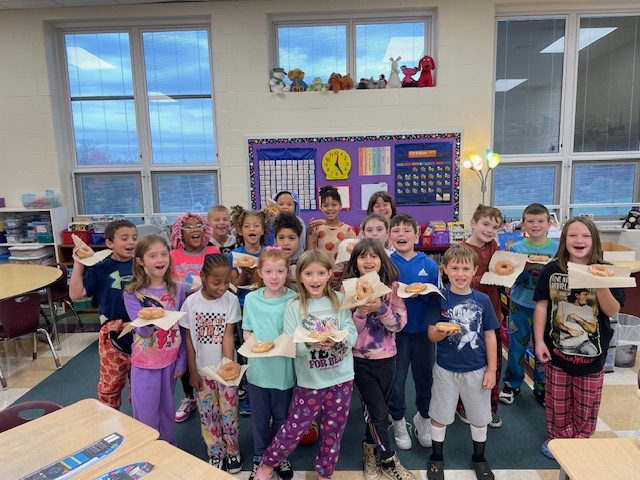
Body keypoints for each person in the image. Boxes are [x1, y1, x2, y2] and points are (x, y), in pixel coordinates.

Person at [254, 249, 357, 480]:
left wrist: (339, 341)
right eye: (309, 274)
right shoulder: (294, 307)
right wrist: (310, 343)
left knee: (333, 432)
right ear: (299, 276)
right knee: (294, 428)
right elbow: (291, 344)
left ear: (330, 273)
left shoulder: (339, 301)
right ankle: (268, 464)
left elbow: (351, 333)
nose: (315, 279)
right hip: (310, 382)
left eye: (321, 273)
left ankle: (324, 473)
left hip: (341, 379)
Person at [533, 217, 624, 459]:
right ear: (564, 240)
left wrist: (599, 282)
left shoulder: (608, 269)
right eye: (573, 235)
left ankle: (581, 440)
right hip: (557, 352)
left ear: (594, 241)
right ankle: (559, 439)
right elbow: (542, 305)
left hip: (592, 356)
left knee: (587, 403)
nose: (579, 240)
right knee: (557, 401)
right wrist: (539, 341)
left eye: (585, 235)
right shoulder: (551, 271)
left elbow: (612, 310)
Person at [342, 239, 415, 480]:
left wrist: (381, 308)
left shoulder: (392, 288)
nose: (369, 260)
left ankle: (369, 449)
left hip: (387, 358)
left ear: (382, 260)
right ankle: (388, 459)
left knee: (375, 412)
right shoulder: (349, 290)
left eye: (374, 256)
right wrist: (361, 312)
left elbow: (399, 324)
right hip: (360, 359)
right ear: (356, 262)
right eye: (363, 256)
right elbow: (347, 333)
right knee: (378, 412)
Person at [426, 244, 499, 480]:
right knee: (440, 414)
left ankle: (479, 457)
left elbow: (490, 336)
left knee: (479, 417)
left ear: (475, 270)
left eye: (465, 268)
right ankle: (437, 456)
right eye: (454, 268)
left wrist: (492, 369)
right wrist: (440, 332)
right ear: (444, 269)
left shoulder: (483, 300)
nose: (460, 273)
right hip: (446, 369)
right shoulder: (439, 299)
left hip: (476, 370)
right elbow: (431, 334)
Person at [179, 253, 243, 472]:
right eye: (217, 282)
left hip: (224, 372)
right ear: (203, 276)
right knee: (208, 415)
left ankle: (233, 451)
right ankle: (215, 451)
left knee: (229, 414)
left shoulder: (231, 300)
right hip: (201, 371)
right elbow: (188, 339)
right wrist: (192, 372)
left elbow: (228, 336)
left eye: (227, 281)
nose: (222, 287)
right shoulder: (191, 303)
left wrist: (228, 367)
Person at [123, 234, 186, 446]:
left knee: (167, 410)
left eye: (163, 254)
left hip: (170, 359)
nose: (160, 259)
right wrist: (151, 317)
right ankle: (147, 449)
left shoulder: (177, 288)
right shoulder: (133, 293)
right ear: (140, 261)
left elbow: (182, 327)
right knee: (146, 413)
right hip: (145, 363)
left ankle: (167, 447)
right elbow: (142, 332)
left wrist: (182, 359)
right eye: (152, 255)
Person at [69, 219, 138, 409]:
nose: (131, 242)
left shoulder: (141, 265)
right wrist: (79, 263)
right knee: (110, 388)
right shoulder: (100, 268)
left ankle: (141, 424)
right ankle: (110, 426)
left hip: (141, 335)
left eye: (134, 238)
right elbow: (76, 294)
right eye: (124, 238)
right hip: (112, 337)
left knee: (140, 389)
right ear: (109, 243)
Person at [242, 247, 298, 480]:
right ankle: (259, 456)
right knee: (260, 418)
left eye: (279, 271)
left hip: (283, 370)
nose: (274, 276)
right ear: (260, 273)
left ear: (287, 272)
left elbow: (296, 333)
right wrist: (255, 344)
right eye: (269, 271)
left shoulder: (293, 299)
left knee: (282, 416)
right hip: (258, 371)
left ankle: (278, 454)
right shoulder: (252, 299)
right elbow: (246, 331)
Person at [388, 214, 442, 450]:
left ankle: (423, 417)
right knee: (396, 381)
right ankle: (398, 420)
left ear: (417, 235)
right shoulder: (386, 263)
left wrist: (432, 326)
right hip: (395, 334)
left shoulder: (428, 265)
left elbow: (437, 300)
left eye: (407, 230)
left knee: (425, 379)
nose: (402, 234)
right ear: (389, 236)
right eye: (396, 230)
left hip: (423, 333)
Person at [500, 203, 558, 406]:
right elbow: (511, 279)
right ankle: (512, 383)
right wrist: (527, 268)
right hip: (521, 304)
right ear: (523, 225)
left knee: (544, 348)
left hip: (548, 307)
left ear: (549, 224)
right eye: (531, 221)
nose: (536, 225)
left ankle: (542, 387)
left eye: (540, 221)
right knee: (517, 346)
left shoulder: (557, 248)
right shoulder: (516, 248)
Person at [170, 212, 221, 423]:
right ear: (179, 232)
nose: (195, 230)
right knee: (185, 353)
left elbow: (221, 278)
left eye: (198, 225)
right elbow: (170, 286)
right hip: (184, 312)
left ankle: (217, 389)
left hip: (212, 310)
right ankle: (189, 397)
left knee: (210, 351)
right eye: (189, 227)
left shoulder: (213, 251)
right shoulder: (173, 255)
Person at [458, 205, 504, 428]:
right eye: (486, 224)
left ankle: (490, 408)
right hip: (468, 316)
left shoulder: (494, 246)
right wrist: (488, 278)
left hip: (492, 312)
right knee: (467, 362)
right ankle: (463, 405)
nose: (490, 230)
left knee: (493, 363)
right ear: (473, 223)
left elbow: (502, 271)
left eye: (495, 227)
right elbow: (462, 281)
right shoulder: (460, 249)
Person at [229, 206, 267, 415]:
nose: (251, 229)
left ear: (263, 230)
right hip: (243, 308)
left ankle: (266, 393)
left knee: (266, 350)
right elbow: (233, 289)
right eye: (246, 226)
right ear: (240, 230)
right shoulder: (234, 256)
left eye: (256, 225)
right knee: (247, 352)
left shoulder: (269, 253)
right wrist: (244, 273)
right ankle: (250, 397)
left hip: (265, 308)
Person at [307, 185, 357, 288]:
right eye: (326, 205)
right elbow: (311, 254)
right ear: (321, 208)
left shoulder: (349, 231)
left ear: (340, 206)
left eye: (334, 205)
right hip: (321, 281)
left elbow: (351, 261)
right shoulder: (317, 229)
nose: (330, 209)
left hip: (343, 281)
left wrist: (342, 282)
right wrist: (309, 234)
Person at [265, 190, 306, 259]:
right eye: (281, 204)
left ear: (295, 206)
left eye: (289, 204)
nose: (285, 207)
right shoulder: (270, 222)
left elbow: (301, 244)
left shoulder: (300, 222)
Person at [273, 212, 303, 286]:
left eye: (291, 238)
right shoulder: (271, 262)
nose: (286, 243)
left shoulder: (304, 264)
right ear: (275, 239)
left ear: (300, 240)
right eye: (281, 238)